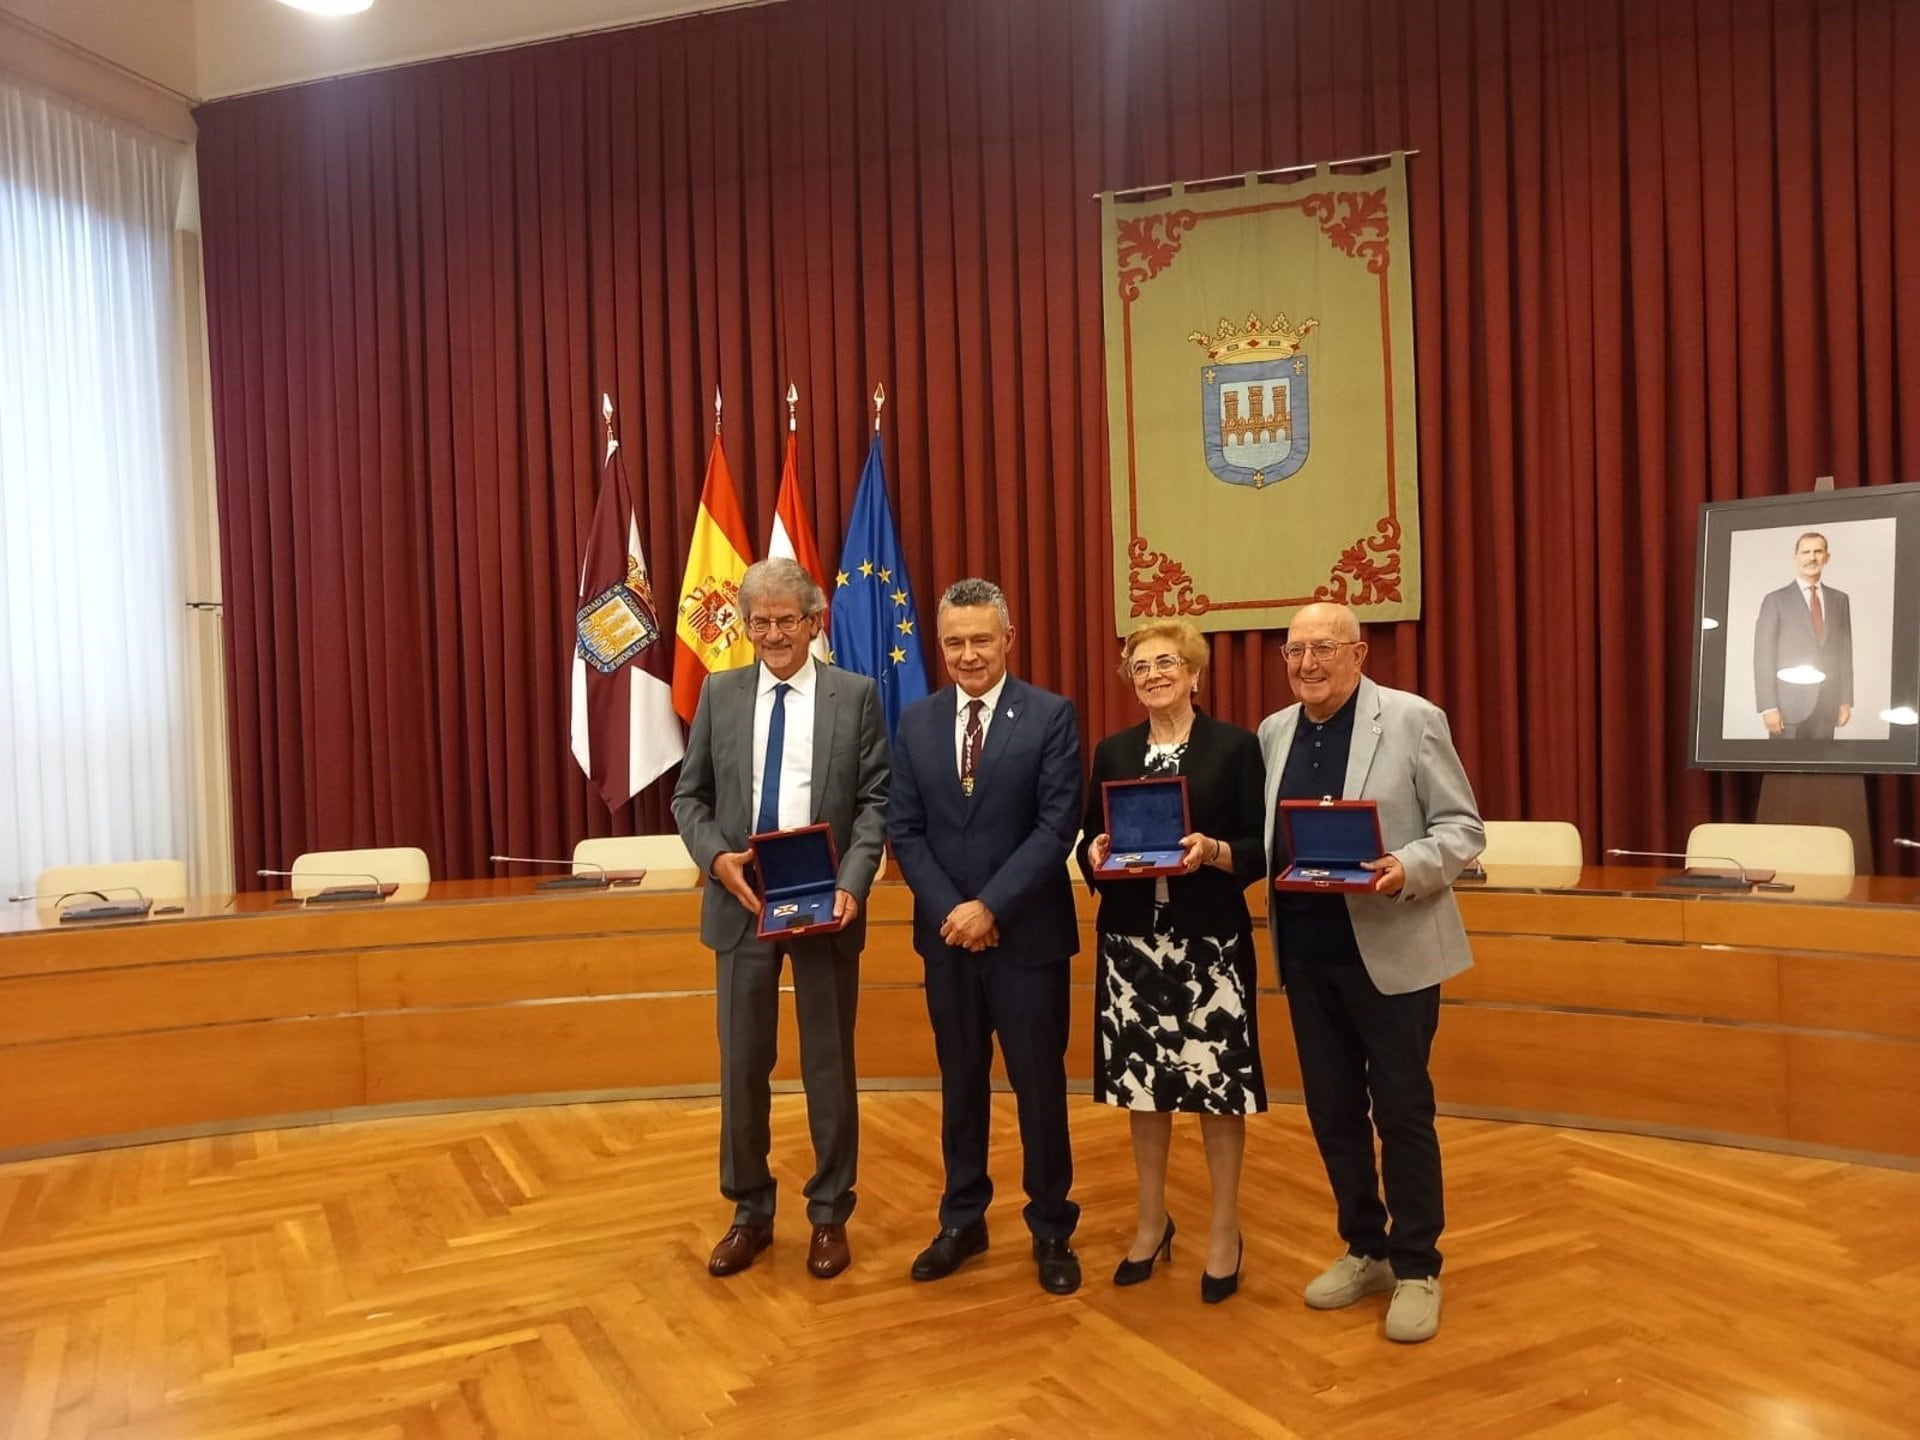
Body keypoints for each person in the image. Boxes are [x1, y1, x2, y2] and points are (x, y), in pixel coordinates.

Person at [1258, 601, 1483, 1343]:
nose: (1307, 664)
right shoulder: (1274, 732)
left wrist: (1405, 865)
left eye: (1324, 648)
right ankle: (1366, 1247)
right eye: (1295, 651)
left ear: (1359, 653)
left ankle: (1418, 1265)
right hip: (1308, 954)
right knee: (1332, 1113)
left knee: (1402, 1113)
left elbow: (1462, 829)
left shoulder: (1415, 719)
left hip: (1394, 952)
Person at [671, 557, 889, 1281]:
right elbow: (689, 799)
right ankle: (749, 1213)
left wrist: (854, 883)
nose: (772, 634)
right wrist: (716, 861)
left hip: (826, 904)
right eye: (758, 621)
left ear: (813, 622)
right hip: (741, 902)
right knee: (742, 1067)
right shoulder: (719, 694)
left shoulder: (855, 696)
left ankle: (829, 1214)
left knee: (829, 1065)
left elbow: (874, 806)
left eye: (785, 620)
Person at [888, 578, 1085, 1294]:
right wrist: (954, 911)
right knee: (960, 1084)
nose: (968, 654)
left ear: (1008, 639)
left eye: (981, 639)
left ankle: (1053, 1227)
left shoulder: (1051, 716)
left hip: (1028, 940)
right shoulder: (914, 722)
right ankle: (962, 1219)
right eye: (954, 642)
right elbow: (904, 830)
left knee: (1039, 1088)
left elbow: (1056, 825)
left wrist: (990, 907)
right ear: (940, 647)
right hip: (946, 941)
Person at [1076, 619, 1267, 1303]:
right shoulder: (1114, 750)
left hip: (1208, 945)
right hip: (1132, 947)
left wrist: (1214, 852)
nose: (1153, 674)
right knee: (1144, 1091)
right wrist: (1092, 855)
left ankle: (1223, 1229)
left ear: (1194, 673)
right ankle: (1152, 1222)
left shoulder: (1234, 748)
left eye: (1167, 662)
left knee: (1218, 1094)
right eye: (1140, 665)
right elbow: (1090, 837)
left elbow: (1260, 846)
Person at [1753, 531, 1853, 741]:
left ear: (1827, 556)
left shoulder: (1840, 600)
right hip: (1788, 709)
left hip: (1827, 706)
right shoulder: (1775, 600)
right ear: (1795, 558)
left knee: (1823, 772)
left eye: (1818, 551)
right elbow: (1763, 656)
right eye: (1805, 552)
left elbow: (1845, 653)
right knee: (1785, 773)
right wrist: (1768, 706)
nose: (1812, 557)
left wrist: (1845, 700)